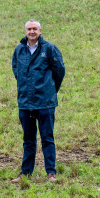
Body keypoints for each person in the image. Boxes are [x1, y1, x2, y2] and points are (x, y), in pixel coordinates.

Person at [11, 19, 65, 183]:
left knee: (47, 137)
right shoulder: (19, 50)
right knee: (28, 140)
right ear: (25, 31)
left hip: (45, 102)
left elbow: (59, 71)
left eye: (35, 29)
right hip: (26, 102)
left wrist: (49, 89)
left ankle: (51, 172)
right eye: (29, 29)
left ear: (40, 31)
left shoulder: (49, 49)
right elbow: (16, 71)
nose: (32, 32)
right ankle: (26, 173)